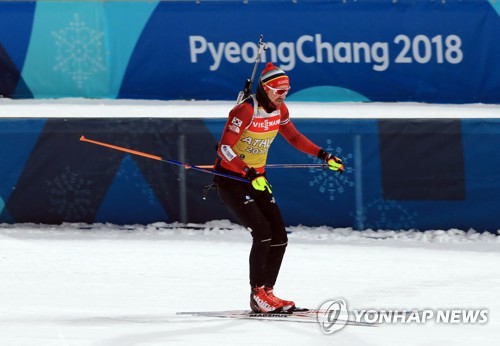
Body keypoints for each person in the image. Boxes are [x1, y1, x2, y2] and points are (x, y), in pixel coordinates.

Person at [213, 62, 343, 313]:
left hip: (257, 178)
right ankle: (256, 295)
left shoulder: (280, 110)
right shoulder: (246, 110)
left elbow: (294, 137)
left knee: (279, 237)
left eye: (286, 91)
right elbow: (224, 148)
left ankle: (267, 292)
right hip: (233, 179)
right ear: (265, 88)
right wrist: (247, 171)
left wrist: (324, 155)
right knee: (262, 232)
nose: (283, 96)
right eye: (278, 91)